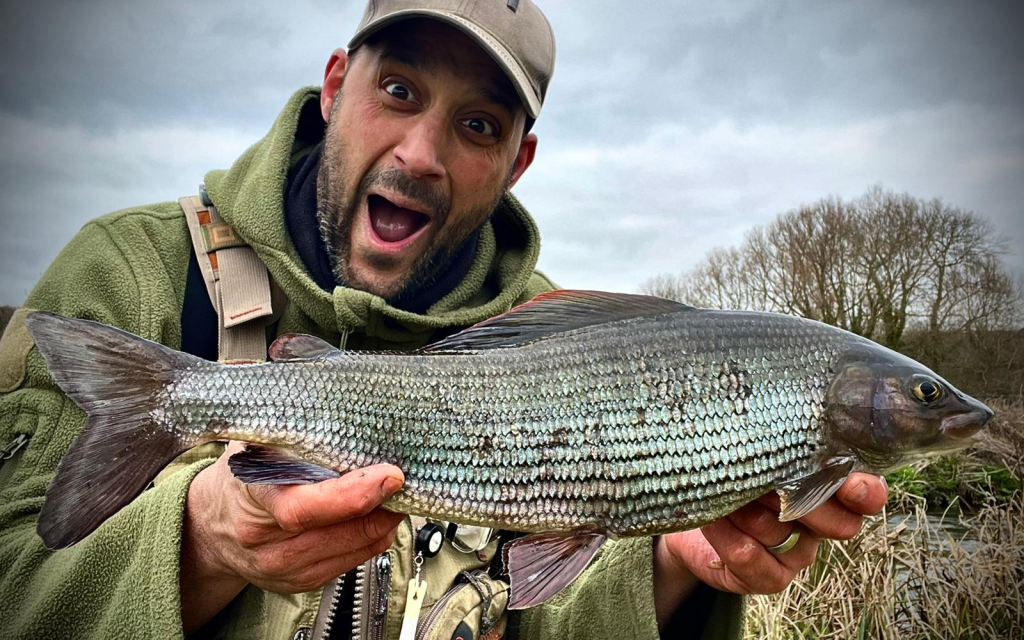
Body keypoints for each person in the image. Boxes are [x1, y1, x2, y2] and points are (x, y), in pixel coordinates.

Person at [0, 1, 887, 638]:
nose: (422, 154)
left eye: (475, 123)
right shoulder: (128, 273)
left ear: (517, 160)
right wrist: (202, 542)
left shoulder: (565, 340)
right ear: (335, 85)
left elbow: (556, 608)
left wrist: (671, 568)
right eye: (397, 90)